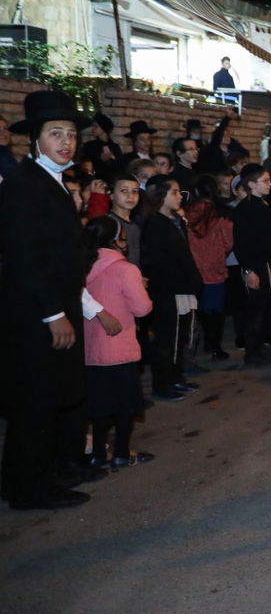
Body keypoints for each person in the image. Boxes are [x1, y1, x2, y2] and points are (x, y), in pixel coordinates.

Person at [0, 90, 116, 509]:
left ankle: (34, 479)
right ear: (34, 140)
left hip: (54, 309)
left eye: (70, 134)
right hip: (36, 318)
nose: (66, 141)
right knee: (34, 403)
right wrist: (54, 314)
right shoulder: (24, 186)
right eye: (55, 133)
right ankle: (29, 490)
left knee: (47, 401)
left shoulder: (53, 182)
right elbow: (25, 259)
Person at [82, 216, 155, 468]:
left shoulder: (82, 267)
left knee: (99, 406)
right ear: (117, 240)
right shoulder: (125, 269)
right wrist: (142, 289)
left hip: (91, 350)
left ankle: (99, 455)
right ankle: (122, 453)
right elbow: (142, 308)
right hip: (120, 347)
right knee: (124, 405)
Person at [139, 177, 203, 400]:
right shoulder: (155, 224)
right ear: (160, 196)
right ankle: (163, 384)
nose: (180, 197)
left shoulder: (175, 219)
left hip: (182, 286)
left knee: (180, 336)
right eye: (174, 192)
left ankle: (176, 377)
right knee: (167, 339)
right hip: (168, 290)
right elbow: (160, 261)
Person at [232, 164, 271, 365]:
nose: (270, 184)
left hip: (265, 264)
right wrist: (247, 270)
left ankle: (261, 347)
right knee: (254, 311)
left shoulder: (264, 206)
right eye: (265, 180)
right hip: (253, 266)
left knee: (265, 307)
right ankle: (251, 353)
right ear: (252, 184)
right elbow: (241, 243)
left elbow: (269, 240)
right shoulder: (243, 210)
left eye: (270, 180)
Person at [185, 175, 234, 361]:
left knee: (200, 310)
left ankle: (204, 342)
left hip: (195, 269)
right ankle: (215, 346)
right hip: (216, 268)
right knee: (216, 311)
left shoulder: (186, 215)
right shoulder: (222, 214)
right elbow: (229, 242)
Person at [80, 113, 123, 181]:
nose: (93, 129)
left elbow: (120, 166)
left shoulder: (114, 147)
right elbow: (86, 165)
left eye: (96, 126)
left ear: (103, 128)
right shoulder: (89, 146)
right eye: (93, 126)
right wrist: (100, 159)